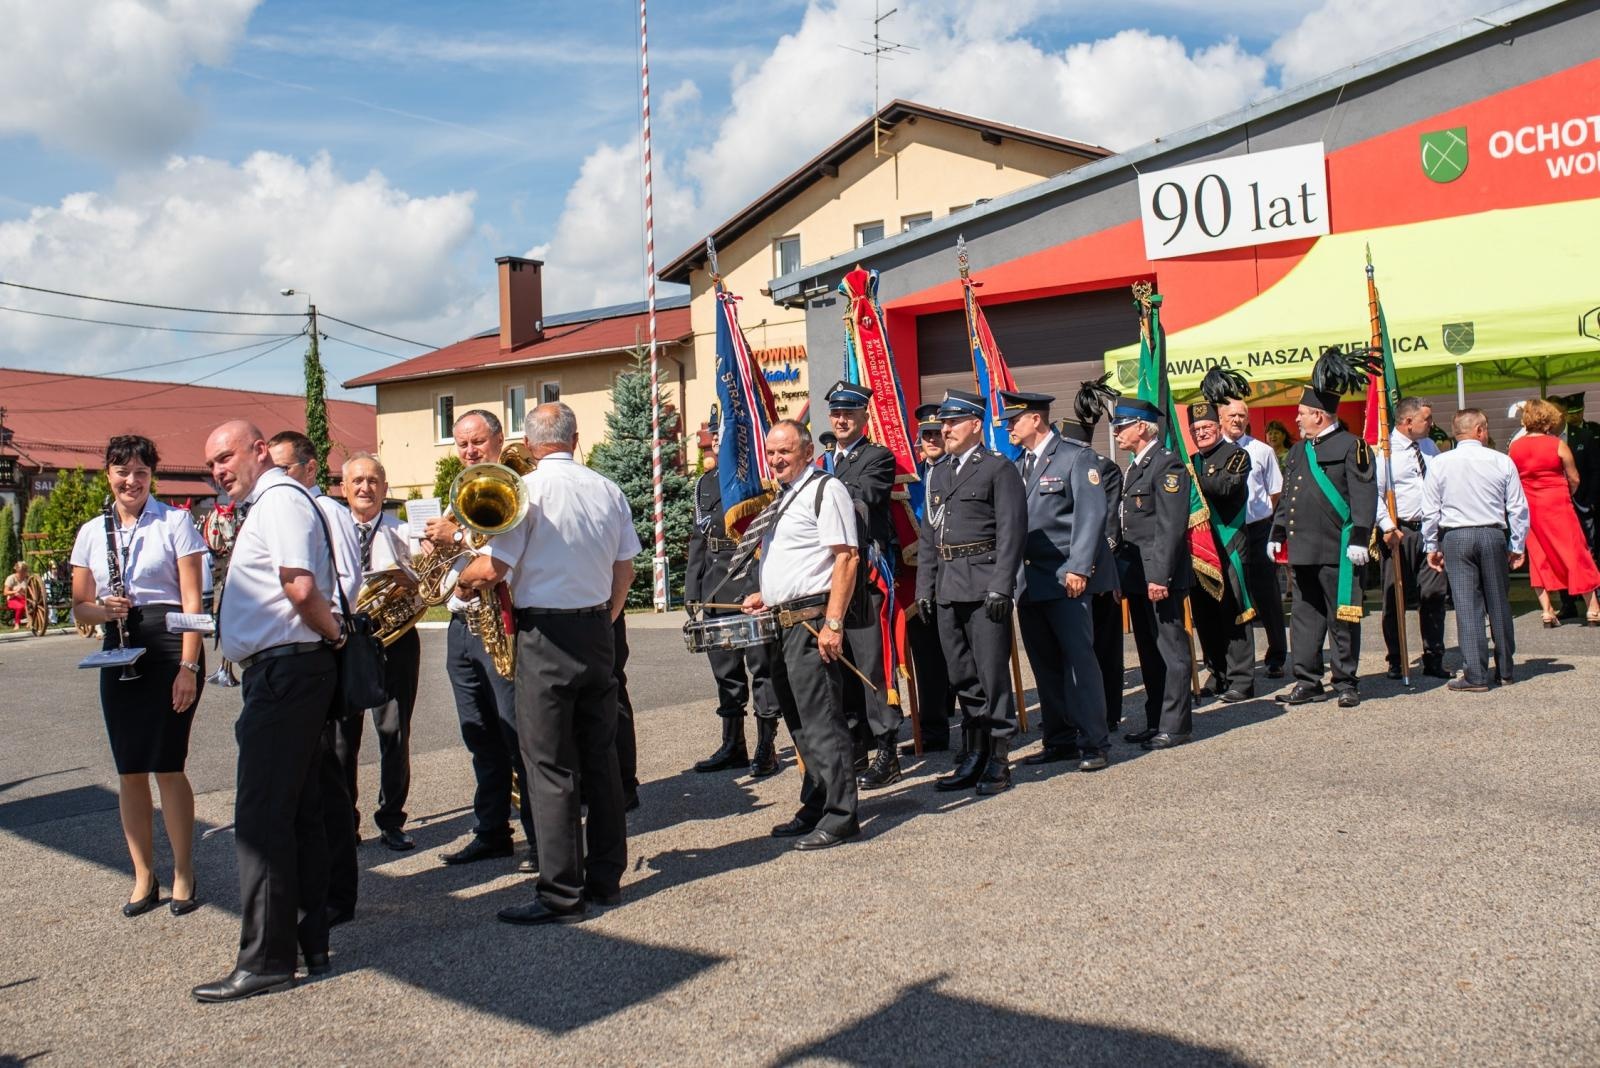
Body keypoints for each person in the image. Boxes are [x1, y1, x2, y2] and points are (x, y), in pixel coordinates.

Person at [459, 402, 637, 924]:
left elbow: (494, 567)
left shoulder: (526, 491)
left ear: (532, 445)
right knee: (600, 757)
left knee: (549, 763)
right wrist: (605, 619)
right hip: (595, 628)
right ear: (576, 439)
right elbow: (624, 570)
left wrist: (457, 576)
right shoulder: (608, 489)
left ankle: (561, 892)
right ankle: (606, 878)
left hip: (545, 632)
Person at [192, 420, 344, 1002]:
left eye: (225, 456)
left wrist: (331, 637)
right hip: (289, 670)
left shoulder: (279, 501)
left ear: (259, 451)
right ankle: (311, 942)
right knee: (300, 809)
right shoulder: (279, 500)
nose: (218, 470)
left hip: (286, 671)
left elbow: (300, 587)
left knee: (259, 819)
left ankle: (264, 960)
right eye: (210, 464)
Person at [69, 435, 207, 917]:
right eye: (122, 471)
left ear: (153, 476)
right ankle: (143, 876)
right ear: (107, 472)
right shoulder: (92, 530)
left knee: (167, 763)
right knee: (129, 769)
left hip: (170, 644)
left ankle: (183, 871)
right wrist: (103, 610)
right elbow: (79, 606)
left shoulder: (176, 521)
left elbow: (193, 603)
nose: (132, 480)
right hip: (119, 645)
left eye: (142, 473)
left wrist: (189, 666)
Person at [423, 409, 537, 872]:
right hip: (461, 626)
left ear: (497, 439)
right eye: (463, 444)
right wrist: (436, 544)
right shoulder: (459, 494)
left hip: (502, 621)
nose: (470, 451)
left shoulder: (512, 486)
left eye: (477, 442)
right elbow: (447, 556)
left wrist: (459, 535)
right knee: (480, 737)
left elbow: (503, 551)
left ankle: (539, 837)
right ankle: (492, 831)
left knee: (516, 734)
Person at [740, 419, 861, 849]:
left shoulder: (826, 490)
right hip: (780, 620)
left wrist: (833, 623)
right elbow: (796, 562)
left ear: (808, 452)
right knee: (800, 725)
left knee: (823, 720)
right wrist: (765, 593)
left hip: (811, 622)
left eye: (785, 452)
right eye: (771, 453)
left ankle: (843, 814)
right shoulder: (784, 496)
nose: (776, 460)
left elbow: (846, 559)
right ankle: (816, 803)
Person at [267, 431, 362, 925]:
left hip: (319, 650)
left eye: (284, 467)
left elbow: (346, 581)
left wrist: (332, 634)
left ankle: (337, 893)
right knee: (320, 775)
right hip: (301, 652)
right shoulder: (286, 505)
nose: (276, 477)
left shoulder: (326, 510)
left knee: (329, 777)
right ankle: (328, 888)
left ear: (308, 468)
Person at [916, 389, 1027, 793]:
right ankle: (975, 753)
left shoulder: (998, 469)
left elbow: (1012, 532)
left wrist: (1002, 586)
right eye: (943, 423)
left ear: (975, 425)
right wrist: (925, 589)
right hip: (947, 586)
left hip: (983, 587)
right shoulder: (938, 472)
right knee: (962, 676)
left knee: (992, 675)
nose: (944, 429)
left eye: (953, 422)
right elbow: (930, 536)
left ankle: (999, 758)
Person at [1002, 390, 1111, 773]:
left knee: (1079, 663)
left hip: (1065, 578)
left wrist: (1079, 567)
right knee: (1045, 666)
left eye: (1014, 420)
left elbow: (1091, 514)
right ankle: (1059, 740)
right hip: (1030, 581)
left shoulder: (1075, 456)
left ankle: (1093, 741)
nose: (1008, 427)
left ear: (1035, 419)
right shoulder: (1017, 466)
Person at [1268, 349, 1377, 709]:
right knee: (1304, 617)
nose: (1295, 420)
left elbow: (1363, 492)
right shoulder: (1298, 452)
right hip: (1303, 550)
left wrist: (1361, 535)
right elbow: (1288, 498)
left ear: (1318, 415)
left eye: (1300, 414)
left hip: (1338, 547)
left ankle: (1345, 680)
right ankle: (1307, 679)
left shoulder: (1352, 446)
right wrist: (1277, 532)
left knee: (1341, 616)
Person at [334, 452, 423, 850]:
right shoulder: (330, 530)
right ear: (343, 488)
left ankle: (391, 820)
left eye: (373, 481)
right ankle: (344, 820)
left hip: (395, 643)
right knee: (342, 738)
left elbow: (428, 585)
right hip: (346, 640)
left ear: (385, 489)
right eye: (357, 482)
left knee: (394, 732)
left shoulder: (403, 531)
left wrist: (412, 579)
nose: (365, 488)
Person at [686, 428, 781, 776]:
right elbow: (699, 537)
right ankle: (733, 745)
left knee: (762, 668)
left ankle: (766, 746)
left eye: (721, 437)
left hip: (751, 576)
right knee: (725, 669)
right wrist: (693, 590)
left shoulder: (759, 477)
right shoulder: (705, 483)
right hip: (715, 582)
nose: (715, 444)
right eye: (713, 438)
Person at [822, 380, 903, 790]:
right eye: (836, 413)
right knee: (840, 664)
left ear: (863, 417)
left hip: (868, 576)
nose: (841, 419)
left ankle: (888, 749)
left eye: (849, 413)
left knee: (872, 665)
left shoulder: (877, 457)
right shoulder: (823, 461)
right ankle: (855, 745)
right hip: (833, 579)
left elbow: (863, 498)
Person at [1423, 409, 1530, 690]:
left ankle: (1476, 675)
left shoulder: (1440, 463)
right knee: (1498, 602)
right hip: (1492, 533)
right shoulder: (1501, 460)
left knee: (1468, 606)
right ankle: (1506, 670)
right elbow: (1517, 508)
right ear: (1480, 430)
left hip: (1456, 536)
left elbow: (1430, 510)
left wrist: (1431, 544)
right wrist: (1517, 545)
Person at [1111, 398, 1195, 749]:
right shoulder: (1135, 466)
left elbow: (1170, 527)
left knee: (1172, 652)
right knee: (1148, 651)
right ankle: (1155, 719)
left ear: (1142, 427)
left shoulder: (1167, 465)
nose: (1116, 432)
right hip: (1138, 576)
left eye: (1122, 425)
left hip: (1160, 577)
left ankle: (1175, 726)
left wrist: (1159, 576)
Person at [1059, 377, 1126, 732]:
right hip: (1066, 568)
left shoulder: (1104, 469)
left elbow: (1108, 524)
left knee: (1103, 648)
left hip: (1096, 569)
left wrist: (1092, 567)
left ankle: (1109, 711)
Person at [1374, 398, 1449, 679]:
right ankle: (1397, 658)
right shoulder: (1385, 451)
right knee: (1395, 598)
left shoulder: (1428, 446)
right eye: (1426, 419)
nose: (1431, 423)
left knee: (1433, 594)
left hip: (1429, 530)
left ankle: (1434, 656)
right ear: (1407, 422)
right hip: (1399, 532)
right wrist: (1387, 526)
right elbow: (1374, 494)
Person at [1508, 398, 1600, 625]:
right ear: (1548, 420)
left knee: (1538, 556)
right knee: (1575, 552)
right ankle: (1593, 608)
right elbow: (1575, 477)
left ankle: (1547, 611)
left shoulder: (1514, 447)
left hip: (1530, 507)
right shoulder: (1557, 444)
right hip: (1558, 504)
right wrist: (1565, 491)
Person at [1187, 402, 1255, 702]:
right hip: (1200, 547)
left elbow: (1226, 487)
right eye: (1195, 430)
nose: (1201, 433)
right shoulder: (1189, 461)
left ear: (1219, 427)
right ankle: (1217, 673)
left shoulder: (1237, 455)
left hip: (1229, 544)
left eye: (1206, 428)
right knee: (1205, 616)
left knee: (1233, 612)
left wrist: (1192, 479)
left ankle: (1243, 679)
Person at [1217, 394, 1287, 679]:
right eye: (1232, 415)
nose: (1237, 420)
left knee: (1267, 595)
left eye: (1242, 416)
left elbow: (1275, 490)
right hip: (1227, 532)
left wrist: (1264, 515)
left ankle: (1277, 656)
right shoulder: (1214, 451)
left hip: (1257, 529)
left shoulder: (1262, 450)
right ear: (1220, 418)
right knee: (1231, 596)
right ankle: (1230, 662)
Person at [902, 403, 955, 756]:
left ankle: (986, 729)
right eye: (926, 435)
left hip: (959, 576)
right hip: (921, 580)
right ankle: (934, 729)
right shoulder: (911, 482)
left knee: (966, 657)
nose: (932, 439)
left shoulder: (961, 471)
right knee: (929, 660)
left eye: (937, 433)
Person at [5, 560, 29, 629]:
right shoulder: (11, 578)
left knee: (31, 605)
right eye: (23, 570)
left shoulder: (27, 578)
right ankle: (16, 624)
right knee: (20, 607)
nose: (24, 572)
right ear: (18, 571)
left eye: (25, 570)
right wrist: (15, 591)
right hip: (12, 599)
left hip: (23, 598)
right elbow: (5, 592)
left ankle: (30, 622)